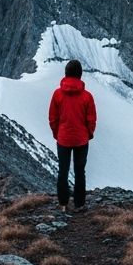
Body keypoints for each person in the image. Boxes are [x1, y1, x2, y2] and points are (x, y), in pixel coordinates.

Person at [48, 59, 96, 213]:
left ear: (66, 74)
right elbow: (91, 119)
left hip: (63, 138)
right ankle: (79, 204)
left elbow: (53, 118)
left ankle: (63, 203)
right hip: (81, 139)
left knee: (63, 170)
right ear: (80, 75)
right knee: (79, 171)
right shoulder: (87, 96)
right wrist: (88, 134)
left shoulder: (57, 94)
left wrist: (57, 133)